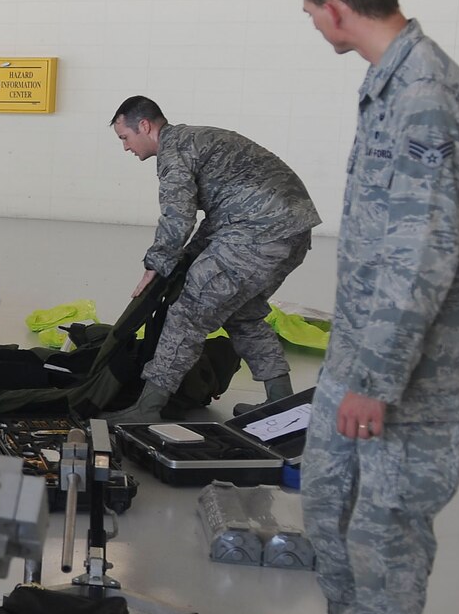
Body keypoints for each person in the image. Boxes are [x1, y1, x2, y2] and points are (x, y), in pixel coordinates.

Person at [253, 0, 459, 614]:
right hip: (360, 344)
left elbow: (422, 253)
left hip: (406, 369)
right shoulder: (388, 84)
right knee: (328, 493)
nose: (314, 23)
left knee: (384, 520)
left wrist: (377, 381)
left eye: (312, 11)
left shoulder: (424, 95)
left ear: (337, 7)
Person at [101, 95, 320, 424]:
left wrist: (156, 265)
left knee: (188, 314)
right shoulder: (198, 139)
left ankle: (146, 408)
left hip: (255, 233)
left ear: (144, 126)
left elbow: (178, 216)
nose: (126, 148)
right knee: (242, 315)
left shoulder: (174, 152)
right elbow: (219, 216)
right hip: (293, 232)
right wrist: (186, 257)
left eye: (125, 138)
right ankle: (281, 404)